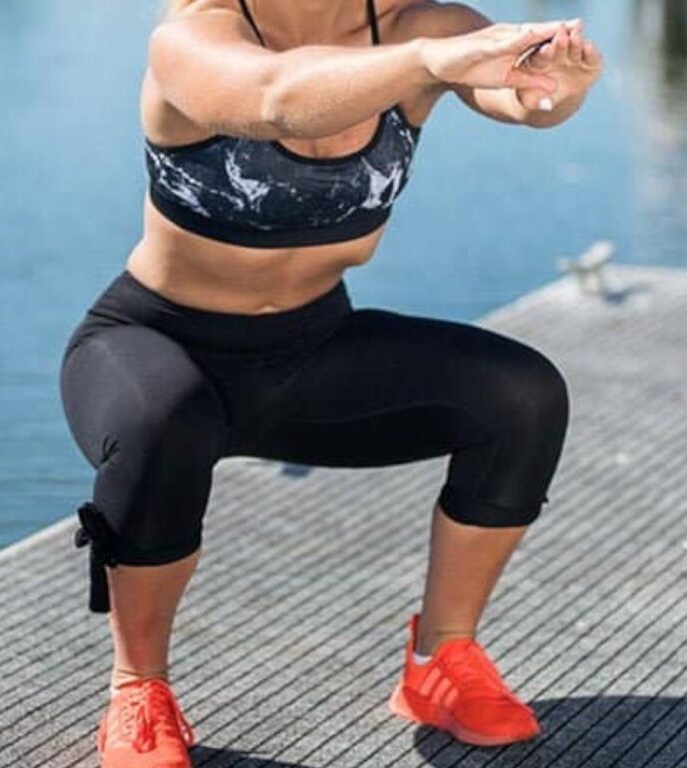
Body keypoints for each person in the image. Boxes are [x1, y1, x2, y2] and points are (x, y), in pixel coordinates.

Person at [58, 1, 603, 765]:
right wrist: (427, 64)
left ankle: (440, 661)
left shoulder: (416, 29)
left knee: (522, 397)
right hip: (157, 343)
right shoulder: (194, 35)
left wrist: (560, 88)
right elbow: (275, 97)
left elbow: (520, 99)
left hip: (314, 347)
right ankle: (137, 690)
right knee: (162, 422)